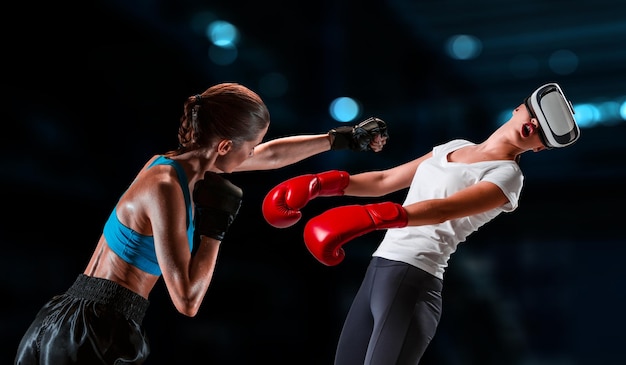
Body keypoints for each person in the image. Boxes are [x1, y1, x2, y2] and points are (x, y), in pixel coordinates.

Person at [14, 82, 389, 365]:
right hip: (95, 328)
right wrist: (215, 229)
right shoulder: (165, 188)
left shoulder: (177, 164)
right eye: (249, 146)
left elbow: (272, 155)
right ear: (225, 146)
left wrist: (338, 139)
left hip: (71, 318)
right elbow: (187, 300)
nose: (254, 153)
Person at [262, 82, 580, 365]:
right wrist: (322, 184)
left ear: (538, 148)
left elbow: (443, 209)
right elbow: (386, 179)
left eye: (543, 132)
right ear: (518, 109)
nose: (534, 125)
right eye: (535, 113)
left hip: (415, 276)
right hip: (380, 269)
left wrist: (374, 216)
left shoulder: (507, 177)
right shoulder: (455, 146)